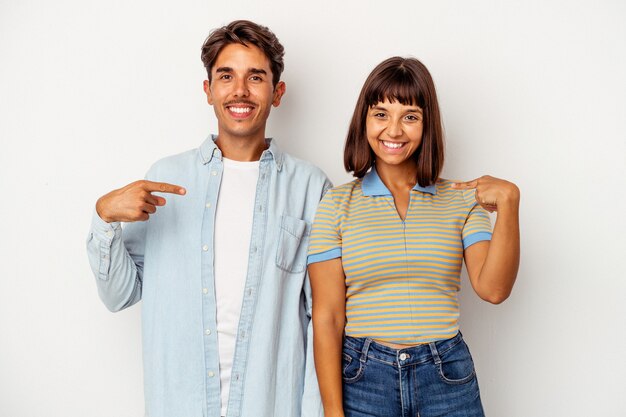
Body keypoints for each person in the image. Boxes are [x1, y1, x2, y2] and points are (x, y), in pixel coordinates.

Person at [86, 20, 330, 417]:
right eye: (226, 76)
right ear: (208, 90)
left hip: (271, 405)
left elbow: (322, 317)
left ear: (277, 92)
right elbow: (119, 295)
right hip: (179, 403)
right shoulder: (167, 180)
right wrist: (105, 217)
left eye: (256, 77)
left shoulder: (310, 188)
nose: (240, 91)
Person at [307, 56, 520, 417]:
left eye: (409, 116)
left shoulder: (460, 198)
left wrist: (510, 204)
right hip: (364, 378)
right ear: (364, 121)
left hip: (446, 376)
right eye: (380, 114)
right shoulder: (336, 203)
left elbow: (493, 289)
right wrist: (332, 412)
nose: (394, 130)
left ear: (427, 124)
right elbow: (327, 317)